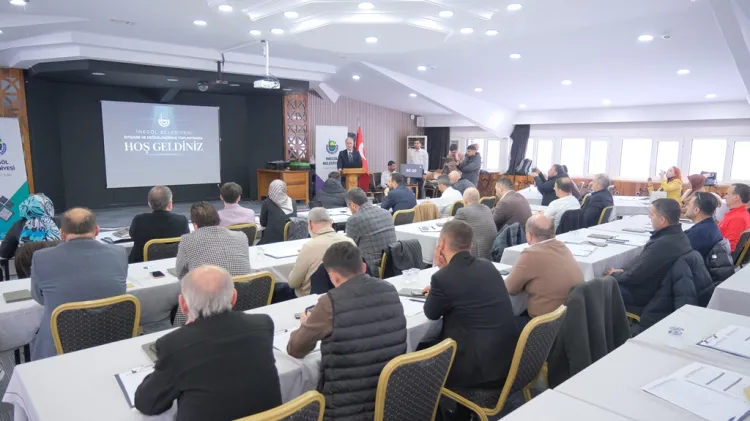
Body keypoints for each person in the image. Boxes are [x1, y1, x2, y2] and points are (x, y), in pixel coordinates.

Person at [135, 265, 281, 421]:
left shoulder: (174, 345)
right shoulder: (263, 324)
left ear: (183, 305)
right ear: (234, 297)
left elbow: (148, 403)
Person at [287, 243, 406, 420]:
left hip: (343, 410)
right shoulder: (390, 290)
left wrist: (306, 324)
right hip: (389, 403)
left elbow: (295, 349)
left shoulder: (330, 303)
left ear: (334, 278)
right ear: (363, 267)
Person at [422, 219, 518, 390]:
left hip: (476, 372)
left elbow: (431, 313)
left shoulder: (443, 278)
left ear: (441, 244)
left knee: (420, 349)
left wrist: (442, 272)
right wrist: (444, 276)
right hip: (507, 360)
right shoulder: (488, 266)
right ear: (471, 244)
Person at [30, 208, 127, 360]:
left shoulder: (40, 258)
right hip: (112, 336)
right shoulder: (119, 252)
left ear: (62, 234)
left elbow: (39, 298)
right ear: (97, 230)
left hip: (60, 345)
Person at [605, 199, 693, 308]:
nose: (649, 217)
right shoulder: (680, 236)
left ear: (662, 219)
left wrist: (614, 274)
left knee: (597, 288)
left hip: (643, 294)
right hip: (658, 289)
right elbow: (641, 265)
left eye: (652, 214)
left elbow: (635, 276)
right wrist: (623, 271)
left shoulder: (661, 244)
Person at [505, 215, 584, 321]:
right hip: (569, 318)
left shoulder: (531, 254)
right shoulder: (562, 247)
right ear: (553, 233)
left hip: (544, 323)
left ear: (529, 235)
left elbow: (510, 288)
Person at [288, 208, 355, 297]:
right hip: (346, 294)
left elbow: (293, 283)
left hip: (312, 298)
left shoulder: (310, 247)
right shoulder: (350, 242)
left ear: (310, 224)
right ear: (331, 222)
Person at [175, 201, 251, 279]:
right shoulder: (241, 236)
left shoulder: (187, 240)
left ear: (195, 225)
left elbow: (180, 274)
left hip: (208, 286)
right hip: (244, 286)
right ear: (218, 219)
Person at [129, 186, 190, 263]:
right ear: (170, 204)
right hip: (172, 264)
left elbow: (132, 235)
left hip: (141, 265)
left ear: (149, 204)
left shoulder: (139, 220)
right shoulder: (182, 221)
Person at [344, 188, 397, 271]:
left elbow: (348, 247)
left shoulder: (354, 220)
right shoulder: (386, 213)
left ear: (353, 205)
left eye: (348, 206)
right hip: (394, 264)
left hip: (371, 269)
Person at [0, 193, 61, 260]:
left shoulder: (18, 225)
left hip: (29, 265)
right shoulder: (59, 222)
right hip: (57, 263)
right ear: (48, 206)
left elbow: (5, 252)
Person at [454, 188, 497, 260]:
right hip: (491, 253)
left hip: (477, 255)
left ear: (465, 201)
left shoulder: (463, 211)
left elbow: (450, 228)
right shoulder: (487, 208)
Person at [684, 192, 724, 258]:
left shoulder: (698, 234)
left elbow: (676, 253)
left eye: (689, 204)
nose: (686, 207)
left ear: (696, 210)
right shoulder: (711, 227)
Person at [258, 180, 298, 245]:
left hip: (271, 242)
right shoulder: (293, 202)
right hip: (290, 240)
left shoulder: (267, 203)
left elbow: (263, 223)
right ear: (284, 189)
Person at [718, 183, 750, 253]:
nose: (725, 197)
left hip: (719, 254)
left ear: (736, 197)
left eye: (727, 194)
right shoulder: (738, 213)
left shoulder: (738, 219)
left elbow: (729, 248)